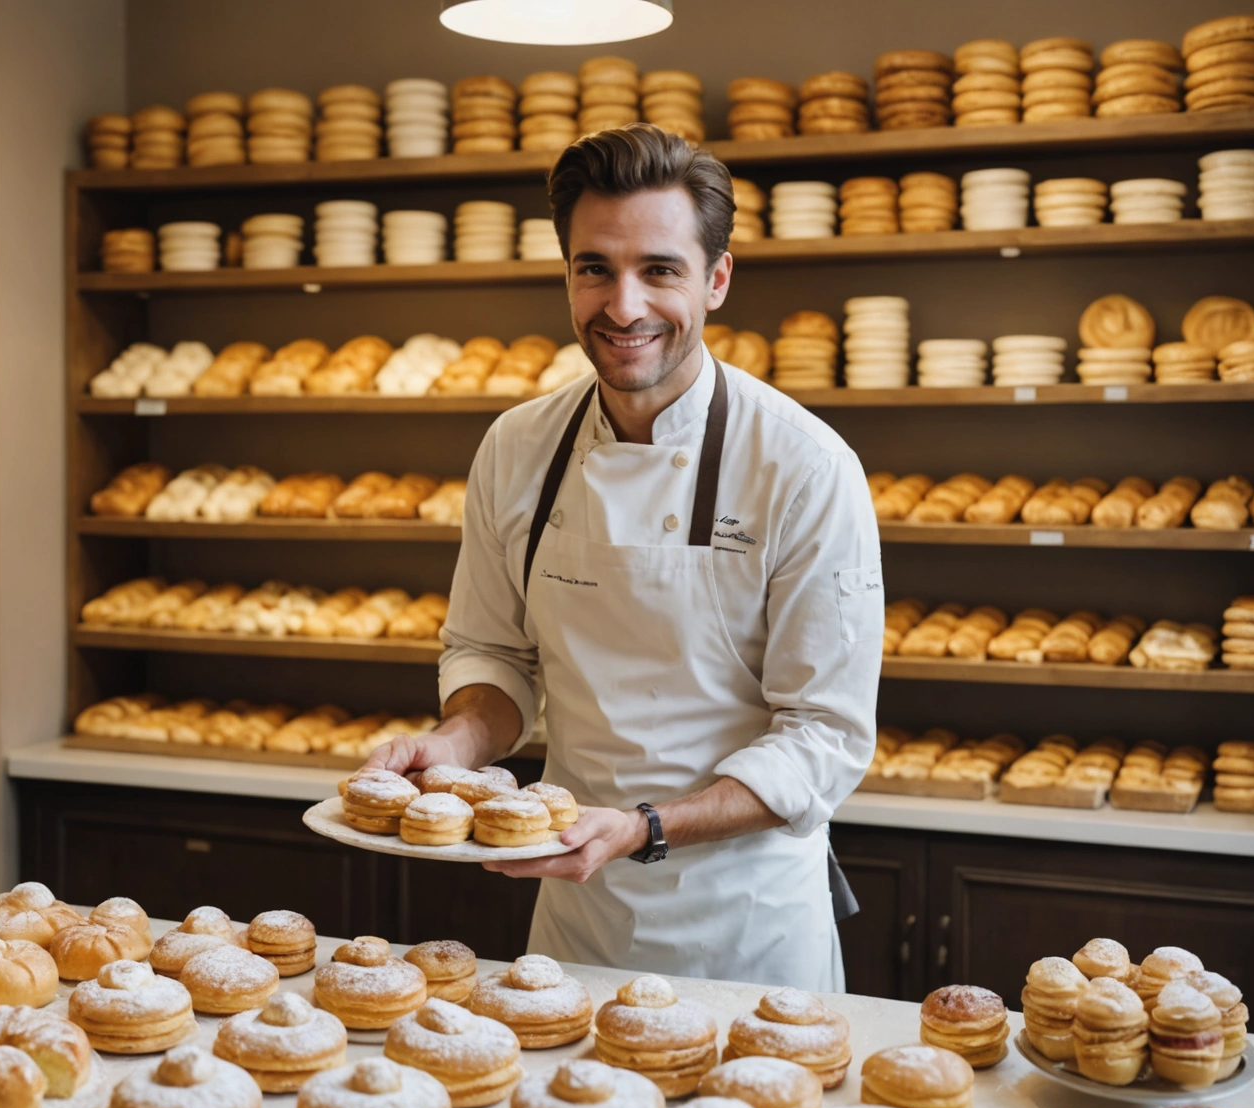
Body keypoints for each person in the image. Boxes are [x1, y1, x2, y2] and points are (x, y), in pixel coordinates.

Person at [361, 124, 882, 990]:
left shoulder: (804, 465)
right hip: (578, 917)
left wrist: (644, 825)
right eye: (594, 268)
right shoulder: (517, 446)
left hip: (748, 928)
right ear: (566, 274)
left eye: (660, 270)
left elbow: (823, 735)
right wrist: (455, 743)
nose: (624, 305)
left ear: (716, 278)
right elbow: (496, 654)